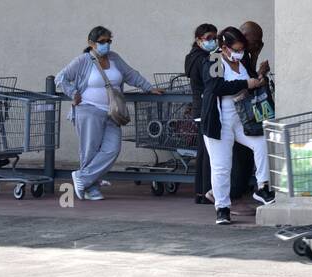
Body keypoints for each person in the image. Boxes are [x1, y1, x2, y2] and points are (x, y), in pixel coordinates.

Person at [55, 26, 162, 201]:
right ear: (91, 43)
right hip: (89, 110)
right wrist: (73, 93)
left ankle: (82, 177)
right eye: (102, 41)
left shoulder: (114, 59)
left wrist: (148, 88)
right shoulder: (83, 60)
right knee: (90, 150)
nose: (106, 45)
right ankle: (91, 188)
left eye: (108, 41)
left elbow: (130, 75)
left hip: (112, 112)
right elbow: (61, 77)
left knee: (112, 149)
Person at [191, 26, 276, 224]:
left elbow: (252, 79)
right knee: (221, 166)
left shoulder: (243, 60)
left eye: (241, 49)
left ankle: (262, 187)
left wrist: (259, 79)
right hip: (219, 122)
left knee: (262, 143)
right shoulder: (214, 60)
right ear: (224, 48)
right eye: (235, 49)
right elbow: (216, 87)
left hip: (241, 120)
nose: (239, 53)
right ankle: (222, 208)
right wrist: (247, 84)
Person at [185, 23, 219, 204]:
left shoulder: (192, 57)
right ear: (199, 40)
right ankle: (207, 191)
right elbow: (214, 82)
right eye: (209, 38)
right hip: (207, 108)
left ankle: (201, 192)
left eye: (215, 38)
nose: (213, 41)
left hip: (200, 108)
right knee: (209, 153)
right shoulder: (207, 59)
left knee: (204, 152)